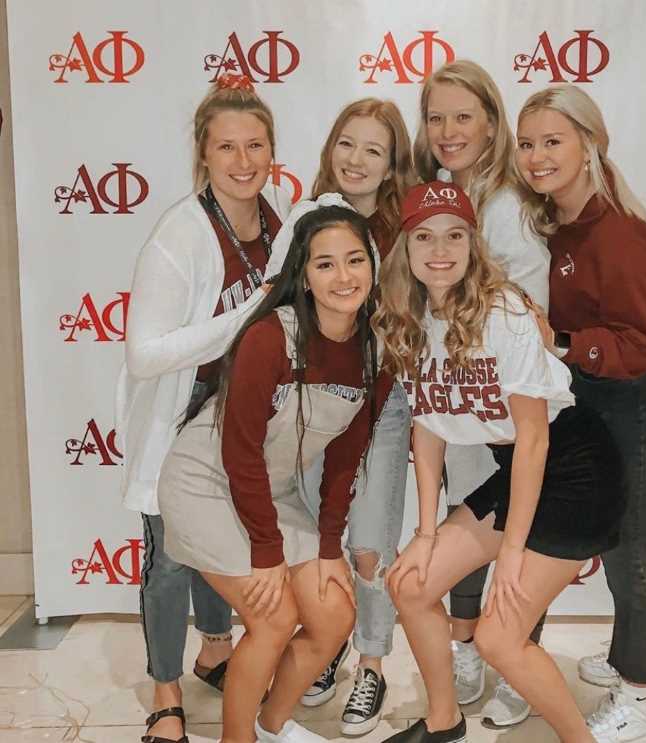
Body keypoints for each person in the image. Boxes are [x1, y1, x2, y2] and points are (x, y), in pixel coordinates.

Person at [372, 182, 625, 743]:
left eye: (455, 235)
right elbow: (429, 427)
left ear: (472, 243)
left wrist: (511, 552)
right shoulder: (408, 318)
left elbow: (534, 438)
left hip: (575, 473)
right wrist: (427, 532)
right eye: (425, 237)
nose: (441, 250)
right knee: (410, 585)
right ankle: (443, 722)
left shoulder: (502, 310)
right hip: (518, 472)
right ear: (405, 250)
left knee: (498, 638)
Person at [158, 201, 391, 743]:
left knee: (334, 616)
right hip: (205, 483)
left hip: (273, 489)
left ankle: (270, 727)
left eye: (355, 261)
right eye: (325, 264)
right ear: (303, 277)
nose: (343, 276)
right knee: (273, 616)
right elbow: (239, 452)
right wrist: (267, 553)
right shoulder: (270, 337)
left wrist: (329, 545)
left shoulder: (373, 351)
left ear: (373, 270)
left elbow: (344, 459)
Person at [515, 85, 646, 743]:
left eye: (553, 140)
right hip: (606, 392)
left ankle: (640, 694)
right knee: (635, 532)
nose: (537, 156)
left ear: (590, 143)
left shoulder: (619, 232)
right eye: (529, 142)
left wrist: (561, 344)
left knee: (628, 539)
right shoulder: (564, 220)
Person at [116, 74, 291, 743]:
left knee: (224, 539)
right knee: (168, 557)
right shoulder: (180, 234)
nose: (243, 161)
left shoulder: (277, 219)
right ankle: (164, 692)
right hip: (179, 411)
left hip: (241, 418)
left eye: (255, 145)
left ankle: (216, 648)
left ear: (272, 149)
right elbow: (144, 354)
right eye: (227, 147)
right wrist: (246, 315)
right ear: (204, 155)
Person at [265, 99, 414, 735]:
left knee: (370, 543)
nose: (356, 160)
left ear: (391, 165)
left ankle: (372, 664)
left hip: (379, 405)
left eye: (374, 150)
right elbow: (274, 298)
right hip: (314, 402)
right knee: (309, 534)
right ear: (330, 147)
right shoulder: (306, 217)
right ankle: (325, 645)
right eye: (347, 144)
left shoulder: (405, 227)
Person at [413, 58, 551, 726]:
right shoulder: (441, 190)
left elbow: (532, 318)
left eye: (462, 116)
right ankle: (467, 648)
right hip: (466, 403)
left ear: (491, 122)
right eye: (435, 117)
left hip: (512, 405)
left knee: (526, 527)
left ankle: (520, 657)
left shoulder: (509, 207)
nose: (447, 130)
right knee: (470, 527)